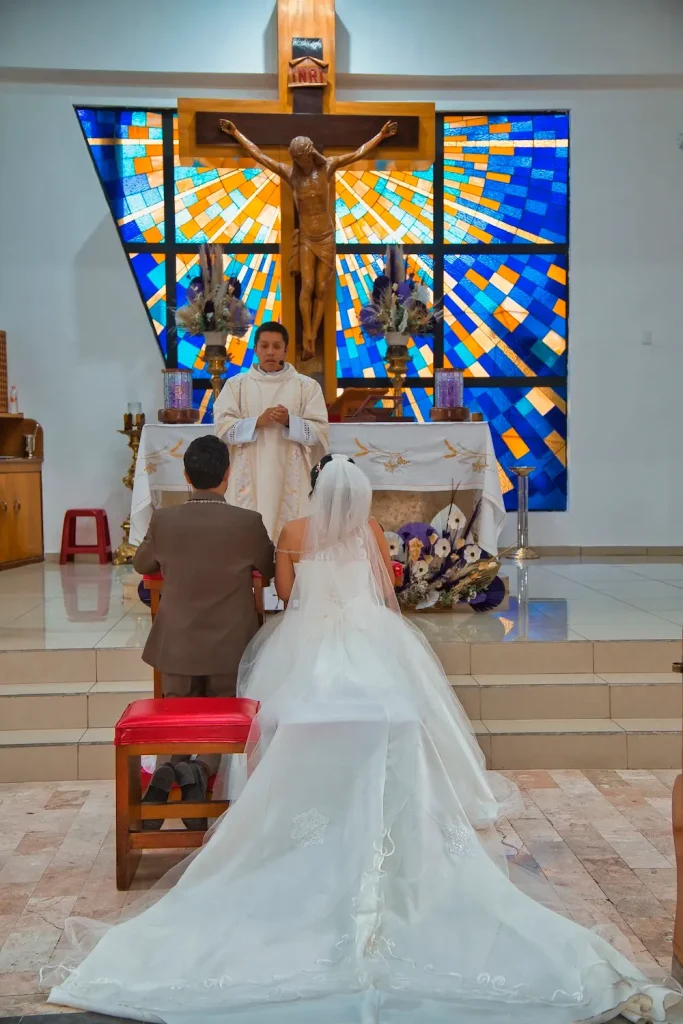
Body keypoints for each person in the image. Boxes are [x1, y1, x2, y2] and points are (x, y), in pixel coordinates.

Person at [47, 455, 683, 1024]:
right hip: (370, 649)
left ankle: (270, 804)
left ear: (317, 491)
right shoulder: (371, 532)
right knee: (400, 715)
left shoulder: (295, 533)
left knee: (284, 716)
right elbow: (389, 592)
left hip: (308, 645)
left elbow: (289, 595)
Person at [132, 434, 274, 830]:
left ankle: (168, 771)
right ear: (227, 476)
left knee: (176, 710)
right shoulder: (248, 523)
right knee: (223, 712)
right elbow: (270, 566)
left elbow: (143, 564)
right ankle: (199, 770)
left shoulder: (164, 520)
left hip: (176, 643)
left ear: (185, 476)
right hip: (231, 646)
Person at [219, 119, 398, 358]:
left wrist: (382, 136)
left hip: (326, 236)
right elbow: (260, 156)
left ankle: (313, 332)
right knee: (308, 286)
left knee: (322, 287)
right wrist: (236, 133)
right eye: (295, 159)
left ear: (310, 154)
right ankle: (307, 338)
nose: (299, 162)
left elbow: (358, 153)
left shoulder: (328, 167)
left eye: (301, 157)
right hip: (306, 237)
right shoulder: (290, 174)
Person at [213, 320, 329, 540]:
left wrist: (290, 422)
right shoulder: (235, 386)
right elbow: (223, 429)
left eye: (277, 346)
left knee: (290, 536)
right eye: (264, 346)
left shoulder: (306, 387)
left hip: (292, 472)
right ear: (255, 349)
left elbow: (320, 433)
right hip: (248, 472)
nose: (270, 352)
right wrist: (257, 422)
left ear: (286, 350)